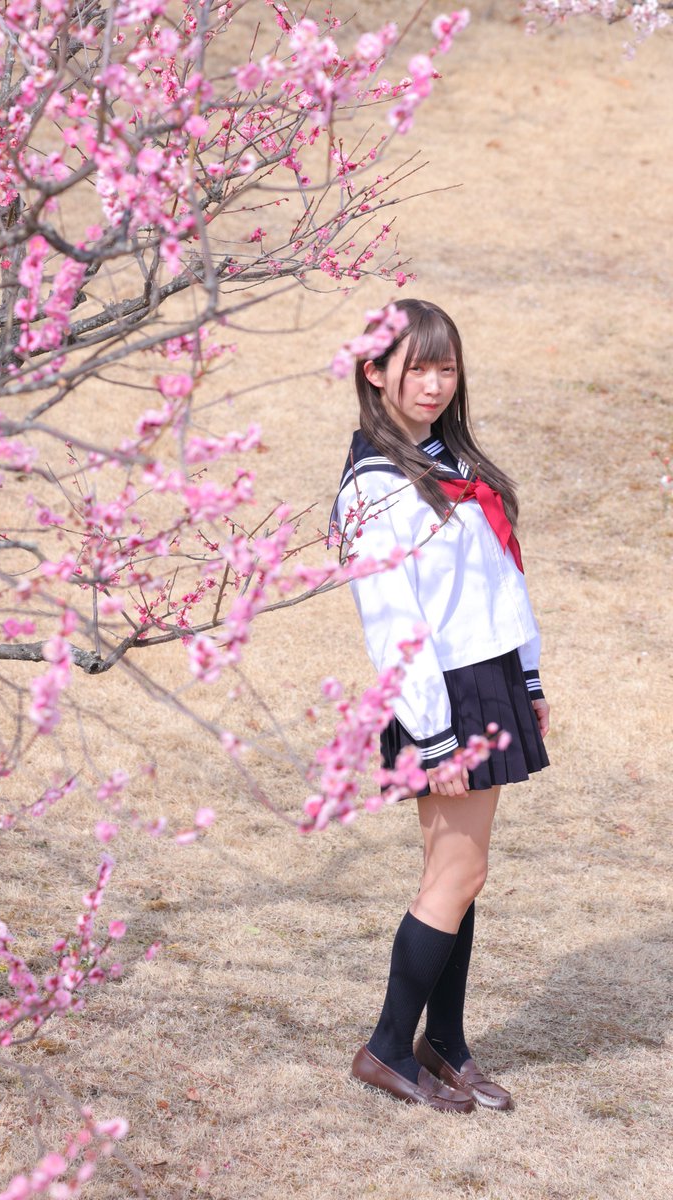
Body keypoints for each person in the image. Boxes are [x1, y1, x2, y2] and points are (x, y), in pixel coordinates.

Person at [333, 298, 550, 1114]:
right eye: (415, 368)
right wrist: (434, 738)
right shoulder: (377, 488)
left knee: (456, 875)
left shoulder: (448, 459)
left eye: (445, 368)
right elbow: (394, 626)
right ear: (374, 372)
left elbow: (499, 580)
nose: (432, 384)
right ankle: (389, 1047)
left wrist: (528, 677)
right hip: (442, 694)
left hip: (485, 674)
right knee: (458, 873)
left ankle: (444, 1043)